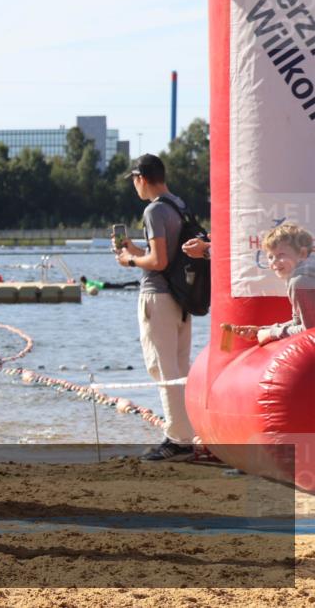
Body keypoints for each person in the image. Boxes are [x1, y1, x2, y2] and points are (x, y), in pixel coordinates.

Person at [115, 154, 195, 462]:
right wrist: (137, 251)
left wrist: (129, 260)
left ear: (140, 179)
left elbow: (158, 262)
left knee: (162, 368)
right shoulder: (179, 204)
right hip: (181, 297)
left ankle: (177, 439)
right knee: (180, 367)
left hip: (157, 297)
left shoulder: (153, 210)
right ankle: (187, 431)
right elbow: (166, 255)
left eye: (133, 181)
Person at [225, 222, 315, 344]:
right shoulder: (305, 272)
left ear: (303, 254)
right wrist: (262, 330)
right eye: (270, 257)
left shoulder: (300, 280)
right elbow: (299, 322)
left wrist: (270, 334)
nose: (274, 262)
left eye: (281, 255)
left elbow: (310, 331)